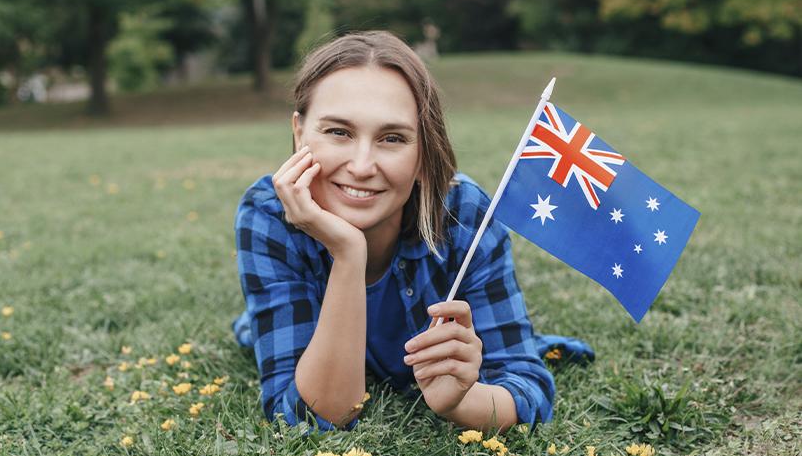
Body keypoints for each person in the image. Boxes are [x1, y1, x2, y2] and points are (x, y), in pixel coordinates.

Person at [233, 30, 593, 433]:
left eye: (392, 138)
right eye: (338, 132)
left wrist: (462, 401)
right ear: (300, 133)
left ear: (424, 154)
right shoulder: (268, 215)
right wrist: (349, 253)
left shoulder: (463, 214)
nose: (362, 165)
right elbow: (305, 417)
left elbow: (528, 387)